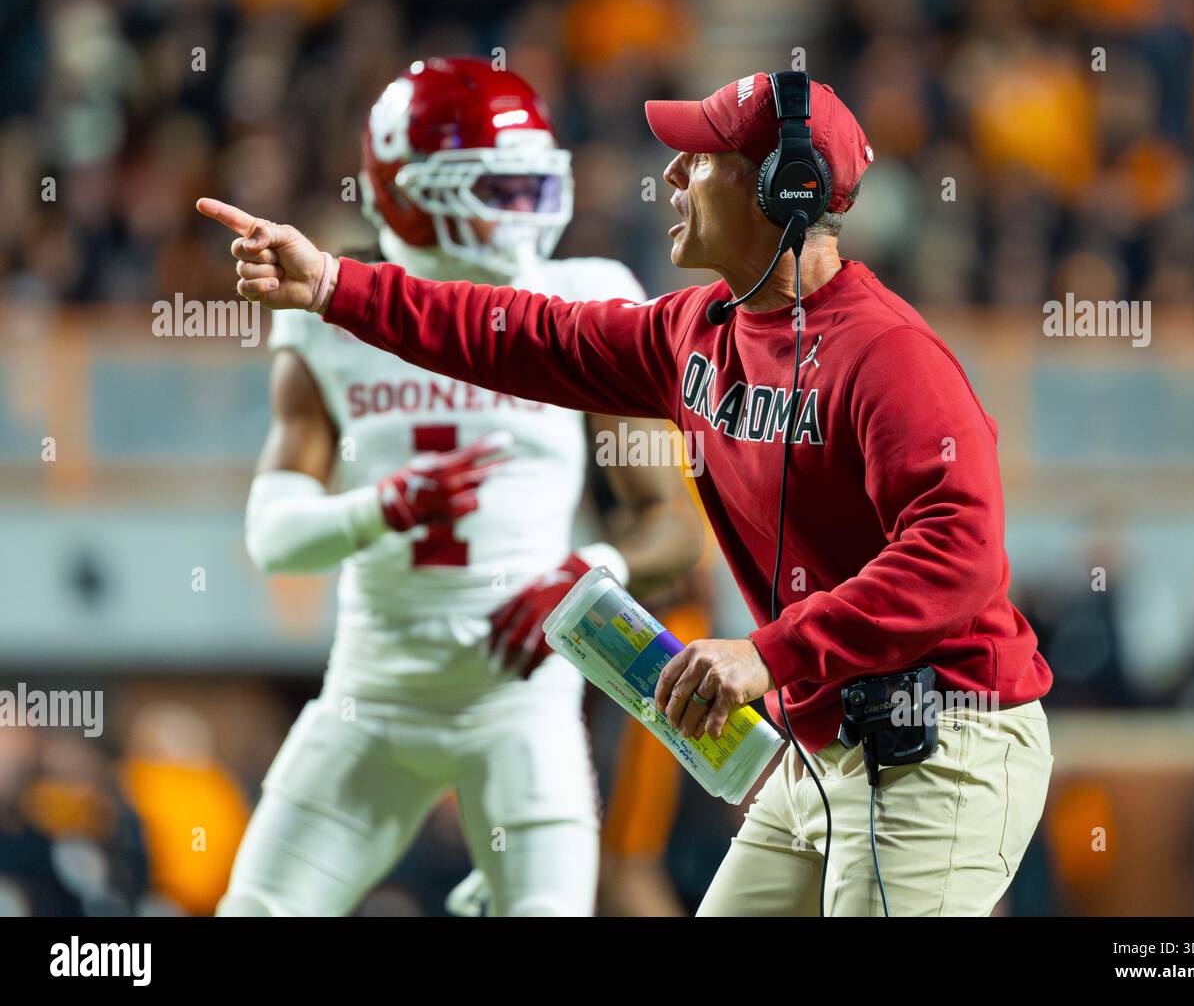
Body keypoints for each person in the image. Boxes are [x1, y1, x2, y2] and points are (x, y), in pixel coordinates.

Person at [199, 69, 1055, 917]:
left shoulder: (889, 356)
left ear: (779, 189)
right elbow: (522, 335)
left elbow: (960, 556)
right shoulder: (698, 329)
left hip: (941, 737)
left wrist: (768, 653)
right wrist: (334, 287)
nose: (673, 177)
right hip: (833, 748)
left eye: (700, 159)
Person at [215, 57, 700, 917]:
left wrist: (585, 572)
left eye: (530, 189)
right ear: (403, 192)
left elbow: (671, 528)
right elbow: (273, 535)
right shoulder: (330, 322)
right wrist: (386, 508)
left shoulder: (587, 298)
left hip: (521, 706)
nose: (522, 217)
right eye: (494, 190)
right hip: (373, 699)